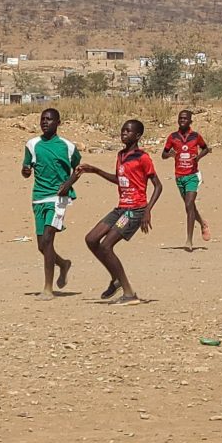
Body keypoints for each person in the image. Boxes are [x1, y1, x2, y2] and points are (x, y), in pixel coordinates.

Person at [63, 119, 162, 306]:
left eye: (128, 131)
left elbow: (158, 185)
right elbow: (120, 179)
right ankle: (116, 278)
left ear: (138, 136)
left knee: (107, 245)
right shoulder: (121, 155)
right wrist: (95, 170)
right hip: (121, 208)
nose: (123, 133)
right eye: (122, 130)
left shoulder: (143, 158)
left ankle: (129, 293)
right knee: (91, 239)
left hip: (134, 210)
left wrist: (147, 210)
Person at [21, 108, 81, 299]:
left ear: (58, 123)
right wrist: (25, 171)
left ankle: (48, 288)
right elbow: (26, 168)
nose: (45, 122)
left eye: (49, 119)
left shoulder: (68, 146)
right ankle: (63, 264)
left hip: (58, 199)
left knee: (48, 240)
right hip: (38, 198)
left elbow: (78, 170)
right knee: (42, 246)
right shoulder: (32, 144)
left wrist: (67, 185)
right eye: (42, 119)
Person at [162, 110, 212, 251]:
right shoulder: (173, 137)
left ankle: (189, 240)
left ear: (190, 121)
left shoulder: (196, 137)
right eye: (180, 118)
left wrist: (198, 157)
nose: (182, 121)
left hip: (192, 175)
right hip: (179, 176)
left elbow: (205, 149)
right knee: (189, 206)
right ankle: (202, 222)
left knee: (189, 204)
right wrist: (170, 154)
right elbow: (163, 154)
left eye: (185, 119)